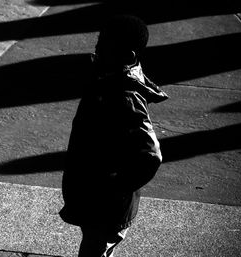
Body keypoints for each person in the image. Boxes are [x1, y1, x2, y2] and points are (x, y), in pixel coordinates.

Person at [59, 15, 168, 257]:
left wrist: (116, 186)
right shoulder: (108, 80)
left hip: (107, 203)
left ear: (126, 56)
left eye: (105, 44)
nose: (97, 48)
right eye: (99, 41)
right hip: (98, 196)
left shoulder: (125, 96)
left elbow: (152, 155)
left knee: (94, 251)